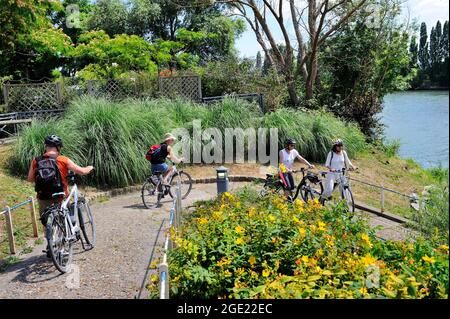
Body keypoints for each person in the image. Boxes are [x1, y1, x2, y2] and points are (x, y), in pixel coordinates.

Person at [27, 135, 94, 256]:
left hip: (43, 197)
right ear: (58, 147)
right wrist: (90, 167)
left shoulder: (36, 160)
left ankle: (51, 245)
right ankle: (63, 245)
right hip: (60, 196)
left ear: (46, 147)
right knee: (63, 219)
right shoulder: (63, 159)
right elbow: (82, 171)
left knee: (48, 221)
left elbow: (30, 179)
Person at [320, 139, 357, 203]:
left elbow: (347, 161)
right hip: (332, 174)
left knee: (345, 189)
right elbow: (327, 164)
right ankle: (322, 198)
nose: (340, 147)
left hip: (341, 173)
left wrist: (352, 166)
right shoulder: (331, 153)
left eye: (341, 145)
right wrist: (331, 168)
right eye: (338, 146)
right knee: (329, 189)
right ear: (335, 146)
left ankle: (345, 204)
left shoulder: (344, 153)